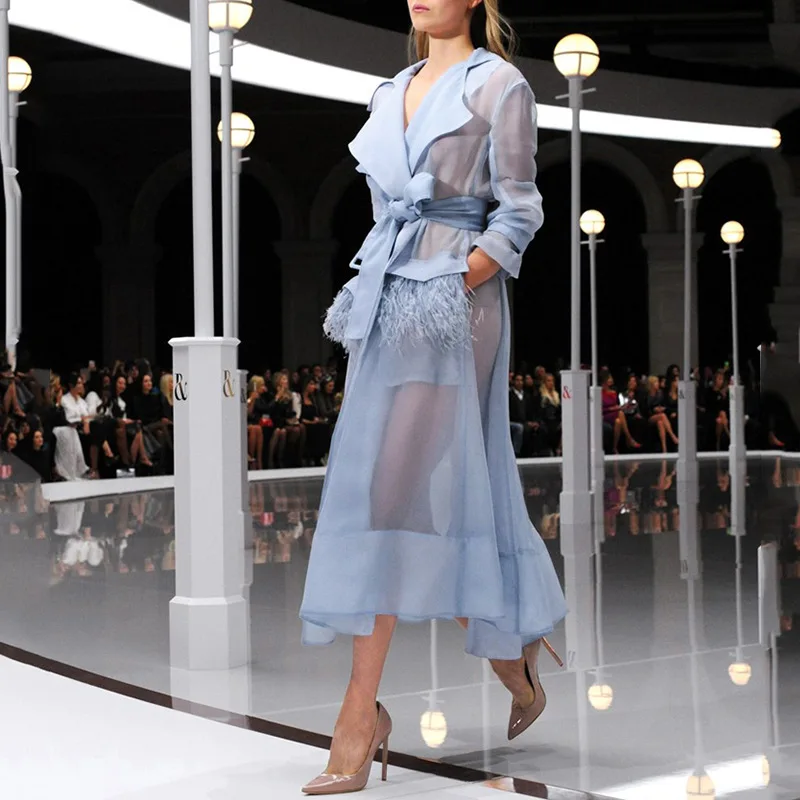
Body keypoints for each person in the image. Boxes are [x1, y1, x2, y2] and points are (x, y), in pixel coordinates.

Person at [299, 2, 566, 794]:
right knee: (405, 495)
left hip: (458, 305)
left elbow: (520, 208)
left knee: (396, 491)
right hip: (387, 301)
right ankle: (510, 653)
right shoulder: (391, 90)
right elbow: (386, 211)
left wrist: (456, 280)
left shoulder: (501, 84)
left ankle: (359, 713)